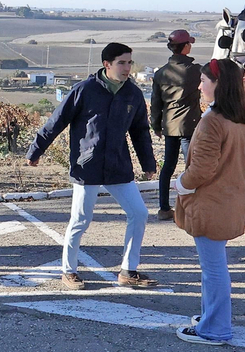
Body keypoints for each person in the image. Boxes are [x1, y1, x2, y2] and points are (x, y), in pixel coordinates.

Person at [26, 42, 159, 289]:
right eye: (122, 62)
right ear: (107, 64)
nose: (127, 68)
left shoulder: (133, 94)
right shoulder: (84, 90)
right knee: (81, 219)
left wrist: (148, 163)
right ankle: (69, 271)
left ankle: (128, 270)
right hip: (87, 165)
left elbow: (140, 132)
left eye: (130, 62)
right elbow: (56, 122)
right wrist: (36, 151)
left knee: (139, 213)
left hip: (118, 166)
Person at [173, 59, 245, 345]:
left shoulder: (212, 121)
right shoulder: (243, 117)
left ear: (218, 84)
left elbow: (202, 170)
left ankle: (215, 328)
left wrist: (181, 184)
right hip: (231, 198)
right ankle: (210, 317)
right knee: (214, 268)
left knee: (213, 270)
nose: (199, 86)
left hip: (210, 203)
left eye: (204, 80)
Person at [151, 29, 202, 220]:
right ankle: (190, 207)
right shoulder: (194, 71)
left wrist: (155, 125)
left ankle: (164, 208)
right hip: (190, 125)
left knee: (168, 167)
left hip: (169, 125)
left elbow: (156, 103)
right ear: (186, 47)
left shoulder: (161, 73)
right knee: (191, 167)